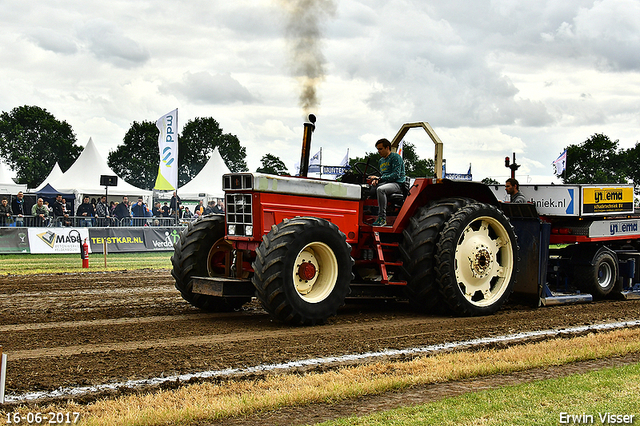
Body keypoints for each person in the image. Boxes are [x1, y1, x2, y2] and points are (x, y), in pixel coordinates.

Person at [368, 138, 406, 226]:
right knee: (367, 189)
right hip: (386, 183)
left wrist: (379, 178)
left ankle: (382, 218)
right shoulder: (381, 161)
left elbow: (395, 175)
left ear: (387, 148)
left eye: (380, 149)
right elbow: (383, 176)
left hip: (397, 184)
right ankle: (369, 212)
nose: (378, 151)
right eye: (377, 149)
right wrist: (375, 180)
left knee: (381, 189)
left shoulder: (395, 157)